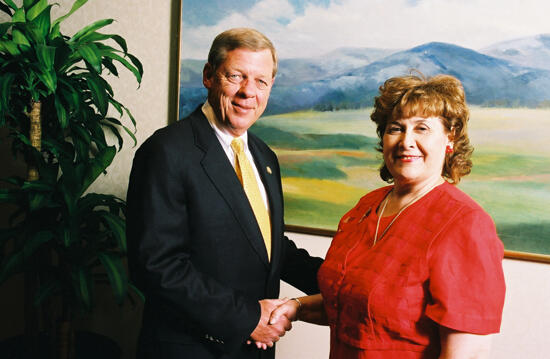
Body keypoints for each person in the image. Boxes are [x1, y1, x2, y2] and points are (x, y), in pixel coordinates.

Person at [269, 73, 506, 358]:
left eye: (422, 129)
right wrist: (297, 306)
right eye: (396, 128)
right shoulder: (366, 207)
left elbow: (469, 352)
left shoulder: (465, 224)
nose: (406, 141)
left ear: (449, 138)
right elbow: (357, 306)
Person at [126, 28, 323, 359]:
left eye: (261, 81)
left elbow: (269, 248)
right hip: (191, 350)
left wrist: (346, 283)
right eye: (236, 76)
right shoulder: (166, 151)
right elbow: (157, 266)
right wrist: (247, 318)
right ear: (208, 76)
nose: (248, 92)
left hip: (253, 351)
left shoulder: (264, 157)